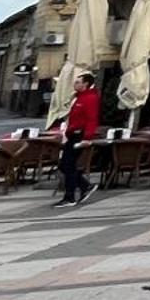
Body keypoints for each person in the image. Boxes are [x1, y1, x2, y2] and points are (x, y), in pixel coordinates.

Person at [56, 71, 101, 207]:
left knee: (68, 165)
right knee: (64, 165)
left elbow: (92, 119)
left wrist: (87, 137)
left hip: (79, 135)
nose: (75, 84)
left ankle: (70, 197)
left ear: (86, 84)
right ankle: (84, 186)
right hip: (72, 134)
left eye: (78, 82)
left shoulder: (90, 98)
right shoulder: (78, 97)